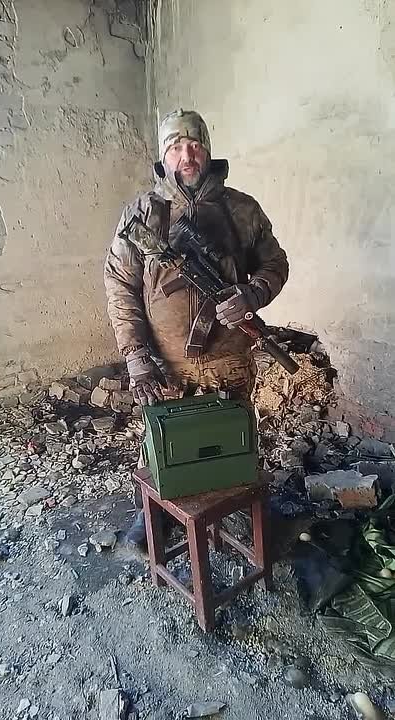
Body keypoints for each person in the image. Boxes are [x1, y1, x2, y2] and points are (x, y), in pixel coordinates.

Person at [104, 109, 289, 548]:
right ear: (163, 156)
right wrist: (137, 359)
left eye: (194, 145)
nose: (186, 155)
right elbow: (120, 287)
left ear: (207, 150)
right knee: (162, 444)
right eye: (175, 147)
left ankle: (239, 508)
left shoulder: (242, 209)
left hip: (229, 360)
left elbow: (275, 263)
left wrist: (252, 294)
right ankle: (153, 515)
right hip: (167, 364)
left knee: (233, 439)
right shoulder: (142, 215)